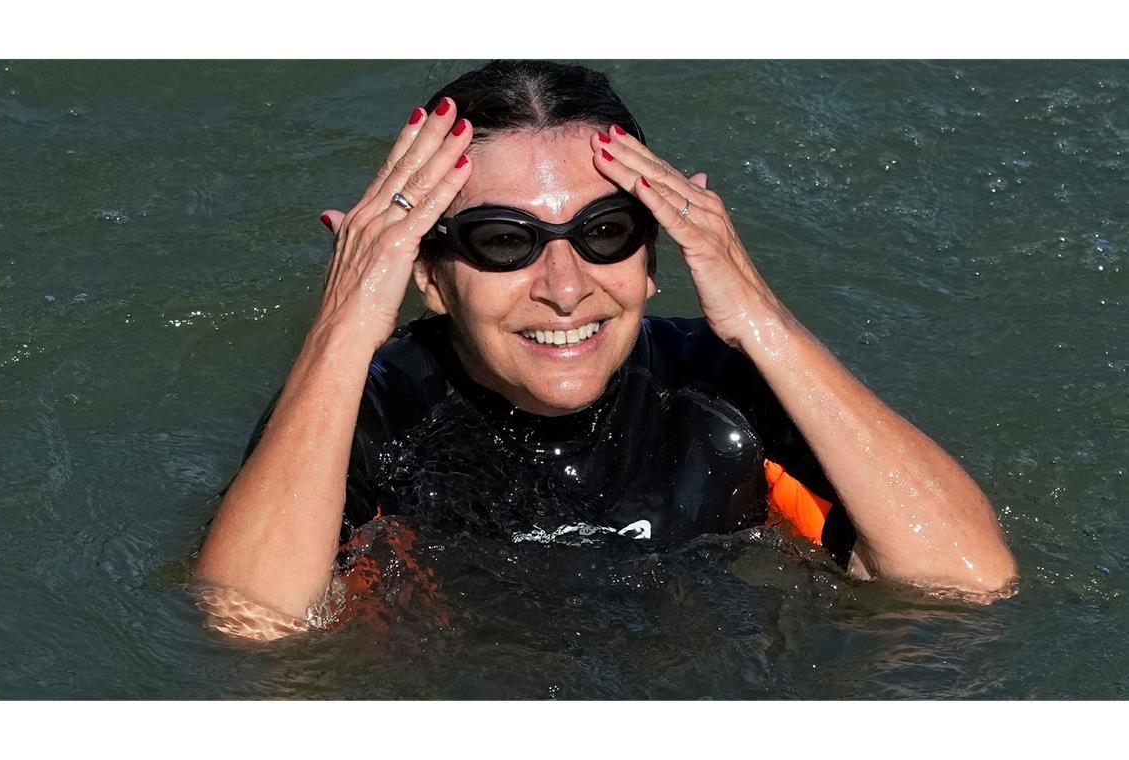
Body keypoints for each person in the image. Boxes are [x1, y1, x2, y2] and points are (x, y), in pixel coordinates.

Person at [194, 61, 1016, 641]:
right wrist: (340, 334)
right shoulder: (370, 404)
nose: (565, 284)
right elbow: (250, 624)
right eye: (504, 241)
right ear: (430, 278)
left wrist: (761, 320)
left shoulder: (720, 390)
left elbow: (969, 583)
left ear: (655, 258)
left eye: (605, 232)